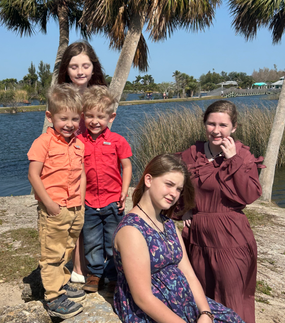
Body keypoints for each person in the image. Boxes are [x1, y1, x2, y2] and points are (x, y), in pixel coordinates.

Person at [113, 154, 245, 323]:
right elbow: (143, 298)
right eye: (169, 184)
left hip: (186, 303)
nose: (174, 194)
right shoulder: (132, 231)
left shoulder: (168, 224)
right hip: (153, 313)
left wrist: (206, 313)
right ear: (148, 180)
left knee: (233, 319)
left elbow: (188, 273)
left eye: (178, 189)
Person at [174, 100, 264, 323]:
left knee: (232, 298)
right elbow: (175, 186)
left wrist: (232, 160)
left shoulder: (242, 156)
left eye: (223, 125)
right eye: (211, 124)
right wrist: (183, 210)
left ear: (234, 127)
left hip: (230, 236)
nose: (216, 130)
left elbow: (249, 195)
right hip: (197, 236)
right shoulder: (191, 154)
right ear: (204, 124)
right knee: (201, 295)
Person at [27, 83, 86, 319]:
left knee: (67, 249)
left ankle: (61, 286)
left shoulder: (78, 143)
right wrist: (50, 204)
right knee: (52, 252)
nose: (69, 124)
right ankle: (53, 297)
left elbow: (81, 172)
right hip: (54, 209)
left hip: (74, 208)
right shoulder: (43, 142)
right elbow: (33, 174)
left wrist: (80, 201)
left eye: (74, 119)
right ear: (50, 116)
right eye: (63, 118)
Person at [57, 40, 107, 283]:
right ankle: (78, 267)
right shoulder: (62, 96)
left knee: (97, 214)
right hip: (72, 160)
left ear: (93, 67)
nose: (80, 71)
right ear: (66, 69)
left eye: (85, 65)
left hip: (97, 160)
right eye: (74, 66)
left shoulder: (98, 94)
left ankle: (97, 266)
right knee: (77, 212)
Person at [78, 85, 132, 294]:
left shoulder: (118, 141)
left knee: (113, 241)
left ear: (111, 117)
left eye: (100, 116)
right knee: (91, 241)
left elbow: (126, 167)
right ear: (83, 117)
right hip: (89, 201)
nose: (94, 121)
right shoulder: (79, 141)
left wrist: (123, 192)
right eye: (90, 116)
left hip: (112, 201)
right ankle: (95, 274)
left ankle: (113, 275)